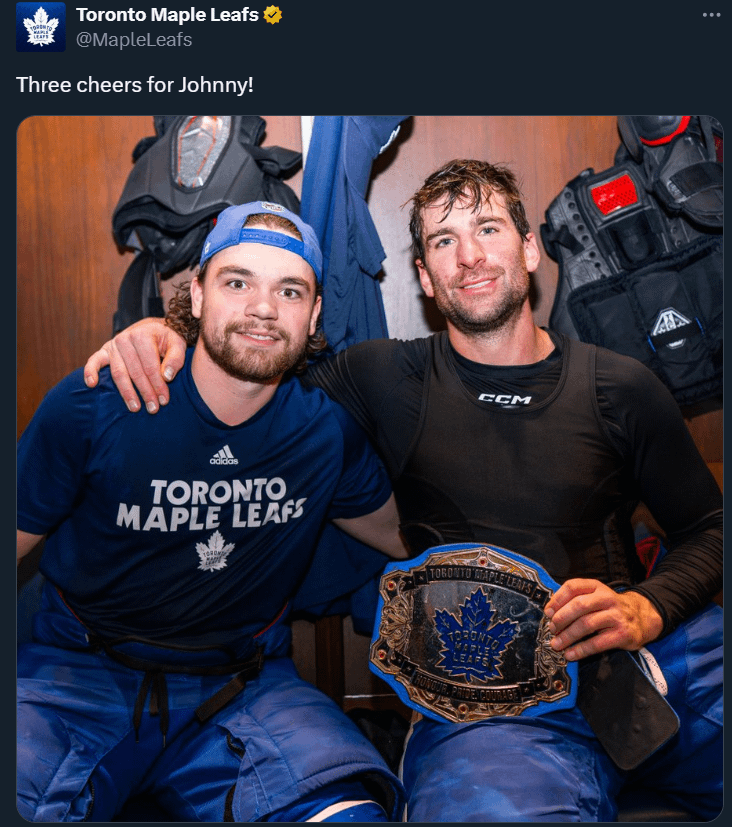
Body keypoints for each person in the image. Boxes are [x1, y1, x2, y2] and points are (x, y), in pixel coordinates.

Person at [84, 161, 723, 822]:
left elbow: (710, 527)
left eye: (488, 228)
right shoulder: (383, 379)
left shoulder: (622, 385)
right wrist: (172, 335)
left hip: (652, 662)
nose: (469, 256)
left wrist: (649, 606)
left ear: (530, 250)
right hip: (487, 709)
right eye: (444, 240)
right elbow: (251, 372)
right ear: (424, 276)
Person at [17, 202, 410, 822]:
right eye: (237, 282)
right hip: (76, 680)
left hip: (242, 689)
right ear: (197, 295)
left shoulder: (325, 434)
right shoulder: (100, 403)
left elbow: (406, 536)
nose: (263, 308)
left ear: (313, 315)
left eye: (289, 290)